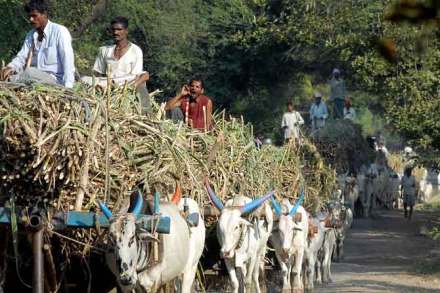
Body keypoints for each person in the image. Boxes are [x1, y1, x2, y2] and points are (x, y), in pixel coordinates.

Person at [81, 16, 150, 113]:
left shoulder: (135, 51)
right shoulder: (104, 50)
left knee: (141, 81)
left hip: (126, 82)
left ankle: (146, 112)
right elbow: (98, 73)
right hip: (108, 82)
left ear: (126, 31)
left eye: (119, 29)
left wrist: (132, 86)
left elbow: (137, 75)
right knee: (84, 79)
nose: (115, 32)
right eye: (113, 30)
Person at [0, 0, 75, 88]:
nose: (31, 19)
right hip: (34, 80)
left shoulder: (60, 31)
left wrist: (68, 86)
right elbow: (21, 57)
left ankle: (9, 82)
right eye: (29, 16)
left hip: (55, 81)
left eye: (34, 16)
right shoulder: (30, 35)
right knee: (13, 73)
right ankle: (9, 80)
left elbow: (67, 60)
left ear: (45, 14)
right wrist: (10, 67)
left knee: (29, 72)